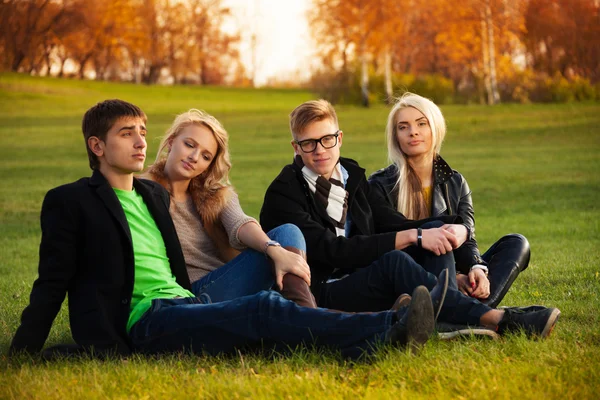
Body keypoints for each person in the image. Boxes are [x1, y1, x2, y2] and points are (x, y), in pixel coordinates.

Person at [9, 99, 442, 360]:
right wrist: (24, 350)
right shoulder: (74, 200)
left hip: (181, 303)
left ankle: (382, 326)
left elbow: (239, 225)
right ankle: (388, 328)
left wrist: (272, 249)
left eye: (143, 131)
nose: (141, 140)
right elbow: (53, 280)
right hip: (148, 319)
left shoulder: (151, 198)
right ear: (97, 146)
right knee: (263, 309)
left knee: (280, 251)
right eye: (128, 134)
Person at [260, 99, 560, 338]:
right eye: (308, 143)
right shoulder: (285, 192)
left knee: (431, 232)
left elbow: (389, 222)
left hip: (362, 277)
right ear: (296, 148)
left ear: (339, 138)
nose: (319, 150)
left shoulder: (351, 176)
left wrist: (448, 228)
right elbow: (332, 250)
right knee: (398, 259)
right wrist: (414, 237)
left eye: (326, 139)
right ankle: (496, 318)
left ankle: (447, 315)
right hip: (322, 290)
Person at [369, 92, 530, 308]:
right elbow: (386, 239)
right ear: (395, 136)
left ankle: (466, 310)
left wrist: (476, 268)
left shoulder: (455, 182)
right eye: (403, 127)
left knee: (517, 243)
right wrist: (451, 276)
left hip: (453, 265)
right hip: (408, 274)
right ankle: (466, 311)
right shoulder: (380, 184)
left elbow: (467, 237)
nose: (413, 132)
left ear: (435, 128)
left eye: (421, 123)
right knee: (436, 229)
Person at [144, 109, 316, 308]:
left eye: (206, 156)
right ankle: (309, 317)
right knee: (275, 301)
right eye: (189, 145)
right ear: (172, 141)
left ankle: (305, 312)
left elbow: (240, 223)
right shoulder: (143, 191)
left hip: (229, 283)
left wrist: (274, 250)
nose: (194, 157)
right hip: (190, 294)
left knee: (288, 232)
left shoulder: (215, 194)